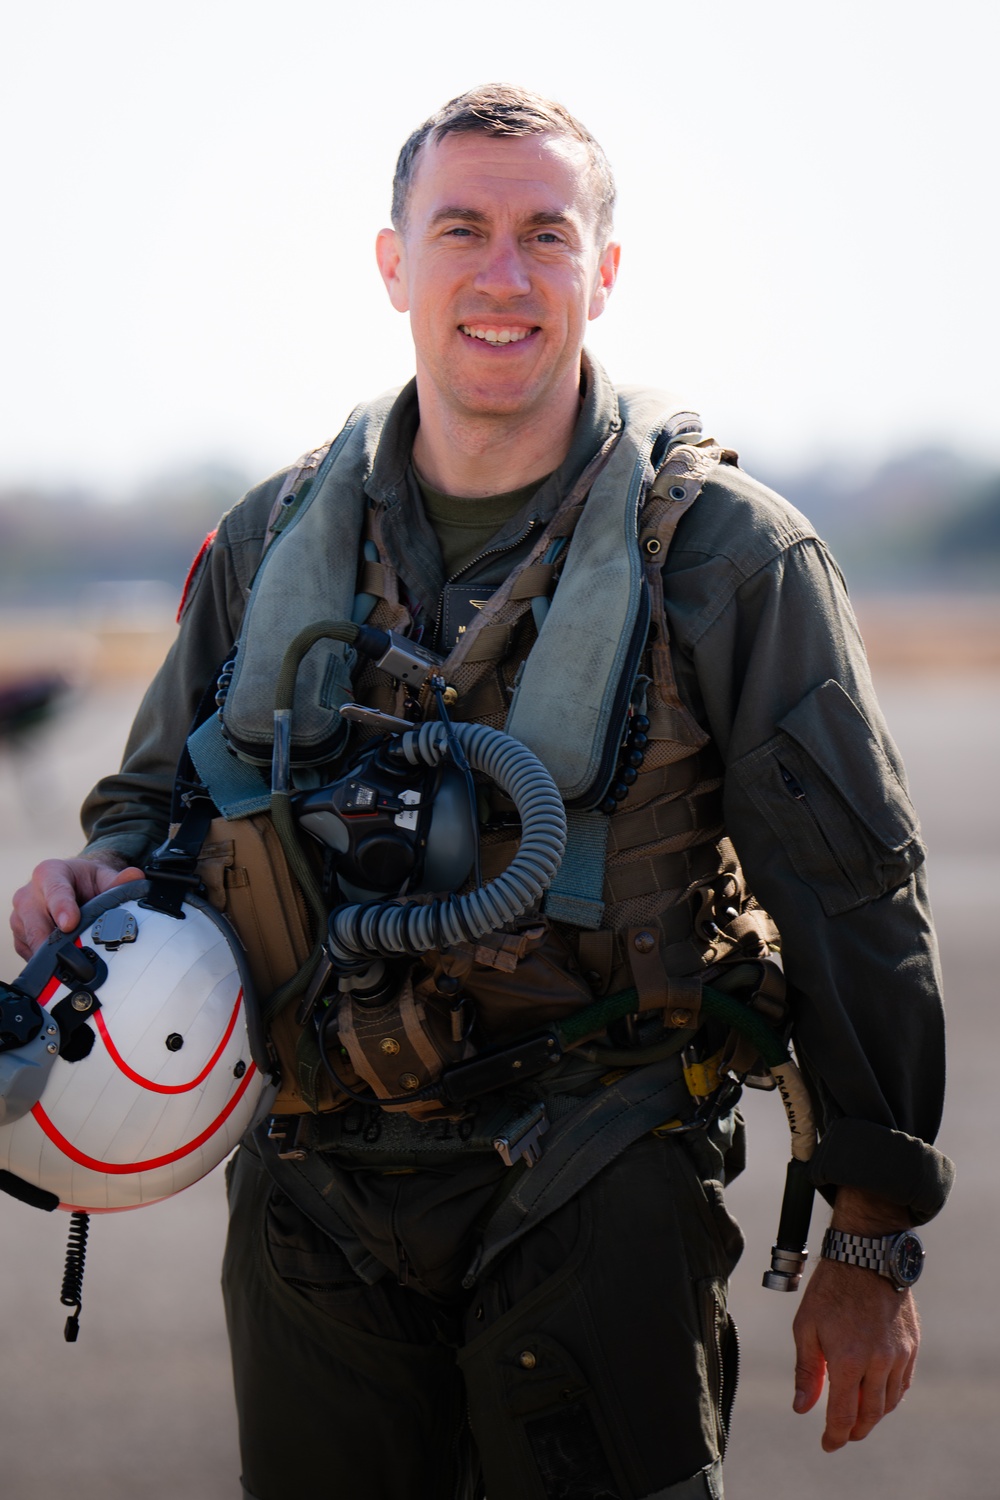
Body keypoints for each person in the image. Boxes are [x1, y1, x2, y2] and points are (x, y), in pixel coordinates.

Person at [10, 85, 953, 1500]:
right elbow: (151, 811)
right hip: (317, 1197)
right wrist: (97, 877)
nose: (503, 275)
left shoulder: (725, 559)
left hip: (598, 1175)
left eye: (545, 235)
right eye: (461, 229)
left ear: (604, 270)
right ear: (394, 263)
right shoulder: (272, 542)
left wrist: (871, 1233)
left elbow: (852, 898)